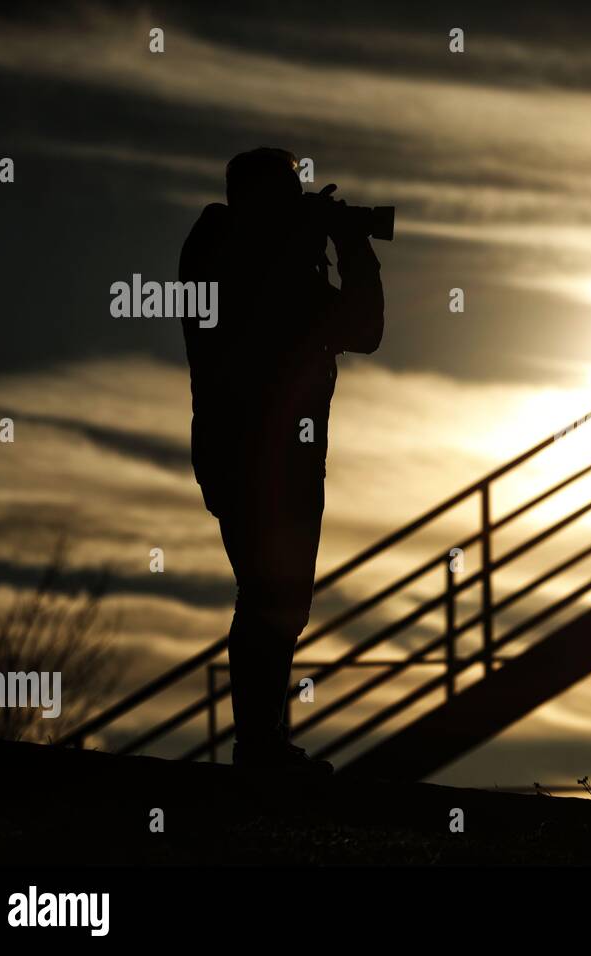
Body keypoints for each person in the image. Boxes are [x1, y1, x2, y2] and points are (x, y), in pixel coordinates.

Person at [178, 148, 384, 772]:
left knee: (278, 597)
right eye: (288, 196)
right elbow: (353, 322)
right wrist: (333, 244)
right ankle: (259, 746)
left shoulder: (268, 262)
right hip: (250, 454)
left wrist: (337, 244)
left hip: (277, 457)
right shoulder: (226, 246)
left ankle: (261, 741)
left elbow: (361, 329)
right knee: (272, 593)